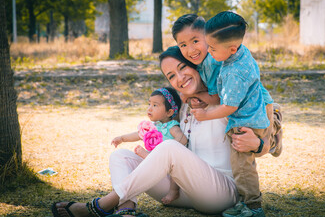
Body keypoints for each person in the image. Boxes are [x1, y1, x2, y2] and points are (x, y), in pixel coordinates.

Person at [51, 46, 265, 217]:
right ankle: (126, 209)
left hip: (220, 192)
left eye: (183, 68)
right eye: (171, 76)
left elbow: (270, 135)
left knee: (170, 147)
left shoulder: (226, 100)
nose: (179, 78)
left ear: (196, 66)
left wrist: (259, 144)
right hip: (181, 191)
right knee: (122, 156)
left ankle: (102, 205)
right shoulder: (182, 108)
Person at [185, 11, 275, 217]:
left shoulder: (235, 71)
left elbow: (230, 107)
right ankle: (247, 202)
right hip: (250, 117)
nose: (210, 51)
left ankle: (252, 207)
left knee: (242, 167)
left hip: (246, 123)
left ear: (232, 48)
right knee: (241, 165)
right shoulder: (238, 53)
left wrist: (205, 115)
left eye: (213, 48)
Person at [172, 13, 282, 158]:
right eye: (183, 45)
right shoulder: (205, 58)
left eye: (195, 41)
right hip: (245, 105)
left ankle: (274, 128)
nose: (191, 50)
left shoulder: (215, 60)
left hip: (255, 105)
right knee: (243, 146)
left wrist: (192, 94)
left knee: (248, 147)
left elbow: (217, 98)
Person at [111, 87, 187, 205]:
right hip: (155, 166)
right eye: (149, 104)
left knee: (175, 168)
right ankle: (122, 192)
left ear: (169, 112)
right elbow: (138, 135)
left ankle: (174, 191)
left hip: (167, 164)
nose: (149, 108)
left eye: (155, 105)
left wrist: (171, 148)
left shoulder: (172, 126)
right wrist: (122, 138)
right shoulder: (152, 126)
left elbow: (182, 139)